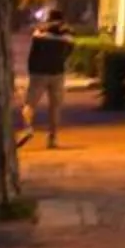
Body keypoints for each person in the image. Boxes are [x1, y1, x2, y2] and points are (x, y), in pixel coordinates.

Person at [24, 12, 73, 149]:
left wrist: (31, 70)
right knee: (55, 108)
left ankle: (27, 128)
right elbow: (69, 53)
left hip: (38, 74)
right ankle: (52, 139)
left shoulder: (39, 34)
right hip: (57, 73)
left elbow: (33, 54)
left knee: (29, 104)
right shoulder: (67, 36)